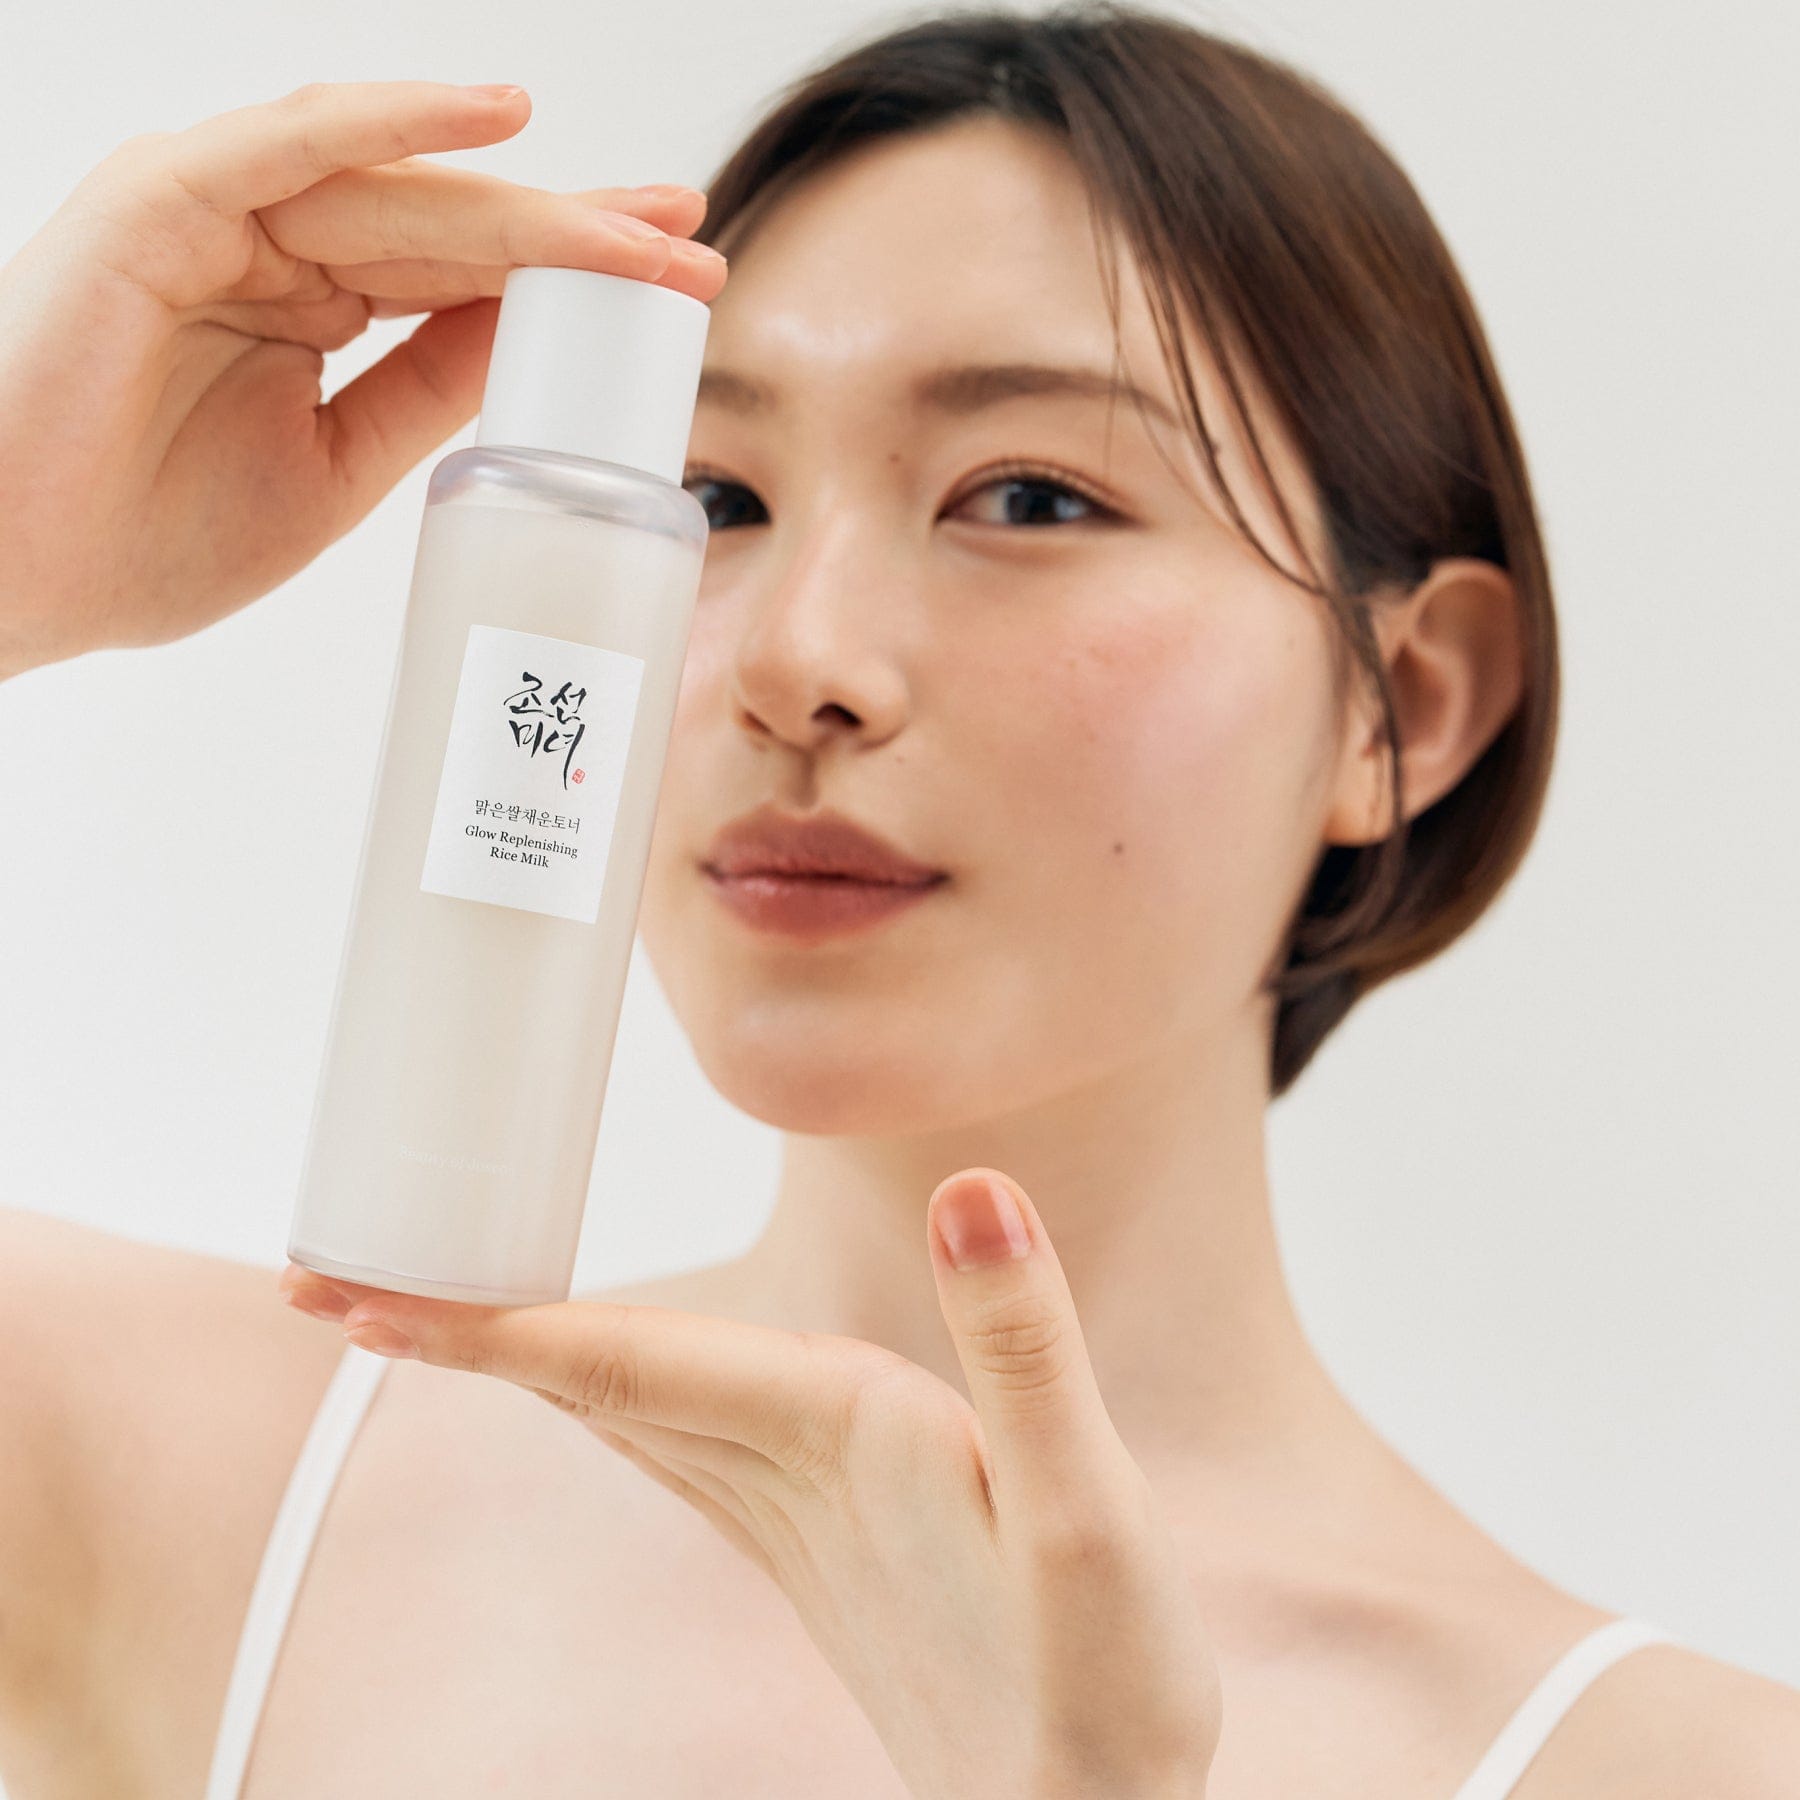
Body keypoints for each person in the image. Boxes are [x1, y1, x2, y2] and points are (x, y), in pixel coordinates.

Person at [0, 11, 1793, 1799]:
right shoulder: (149, 1470)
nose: (800, 663)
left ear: (1408, 700)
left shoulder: (1667, 1769)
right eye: (716, 493)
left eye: (1029, 496)